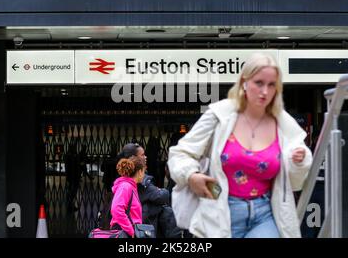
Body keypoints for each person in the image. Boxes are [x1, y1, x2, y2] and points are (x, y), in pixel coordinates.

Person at [167, 53, 313, 238]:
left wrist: (298, 162)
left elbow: (296, 181)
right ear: (244, 82)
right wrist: (191, 175)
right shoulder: (219, 114)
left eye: (271, 85)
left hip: (266, 212)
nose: (265, 92)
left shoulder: (283, 124)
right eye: (259, 83)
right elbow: (181, 153)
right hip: (221, 209)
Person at [118, 143, 181, 238]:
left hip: (139, 226)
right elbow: (161, 196)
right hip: (140, 228)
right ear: (133, 157)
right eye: (142, 155)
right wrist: (131, 231)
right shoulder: (137, 182)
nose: (145, 157)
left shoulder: (125, 178)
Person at [110, 155, 146, 237]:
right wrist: (131, 231)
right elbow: (116, 209)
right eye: (144, 171)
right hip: (124, 232)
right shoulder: (126, 186)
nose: (144, 175)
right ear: (140, 171)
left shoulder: (131, 186)